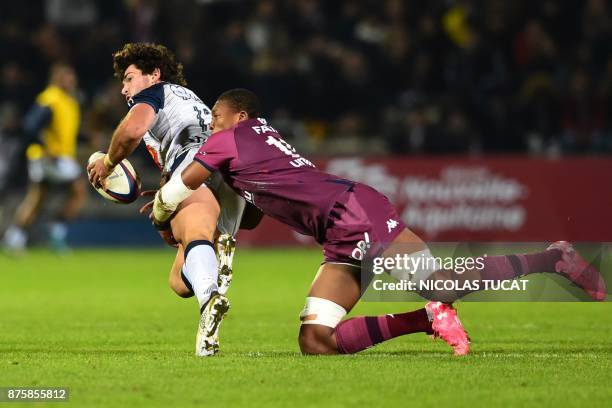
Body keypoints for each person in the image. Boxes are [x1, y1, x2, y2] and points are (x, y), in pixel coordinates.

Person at [147, 88, 606, 356]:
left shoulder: (234, 138)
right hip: (337, 232)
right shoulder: (250, 146)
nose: (210, 127)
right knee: (315, 340)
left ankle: (553, 258)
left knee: (440, 282)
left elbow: (182, 185)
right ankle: (425, 320)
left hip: (354, 214)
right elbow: (246, 222)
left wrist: (162, 211)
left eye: (217, 119)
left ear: (240, 118)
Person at [87, 43, 247, 356]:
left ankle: (210, 295)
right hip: (228, 173)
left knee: (197, 249)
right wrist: (165, 189)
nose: (124, 89)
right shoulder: (189, 100)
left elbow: (132, 132)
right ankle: (215, 270)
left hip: (194, 167)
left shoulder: (154, 93)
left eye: (129, 78)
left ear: (154, 74)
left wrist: (107, 164)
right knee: (178, 280)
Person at [3, 64, 87, 253]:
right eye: (66, 77)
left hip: (55, 157)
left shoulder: (69, 102)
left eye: (71, 77)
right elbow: (30, 127)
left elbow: (66, 133)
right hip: (51, 158)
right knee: (79, 191)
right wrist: (45, 147)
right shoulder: (50, 99)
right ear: (56, 78)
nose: (70, 81)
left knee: (36, 199)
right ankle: (56, 233)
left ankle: (14, 238)